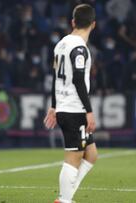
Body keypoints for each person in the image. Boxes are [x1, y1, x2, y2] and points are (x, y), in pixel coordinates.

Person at [43, 4, 98, 203]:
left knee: (91, 155)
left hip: (65, 107)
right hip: (75, 110)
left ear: (73, 22)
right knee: (73, 158)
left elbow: (55, 78)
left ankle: (67, 195)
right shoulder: (80, 48)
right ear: (93, 25)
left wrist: (53, 105)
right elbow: (77, 79)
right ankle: (64, 199)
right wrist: (89, 111)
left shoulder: (61, 44)